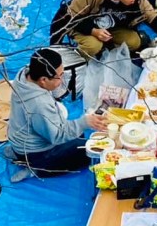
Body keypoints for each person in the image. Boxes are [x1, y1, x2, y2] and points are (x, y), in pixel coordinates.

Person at [7, 48, 108, 177]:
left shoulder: (24, 75)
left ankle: (18, 155)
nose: (62, 81)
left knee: (79, 133)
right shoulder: (40, 104)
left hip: (20, 139)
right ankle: (37, 169)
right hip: (34, 153)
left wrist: (81, 123)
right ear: (43, 80)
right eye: (59, 76)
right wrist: (85, 122)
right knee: (89, 152)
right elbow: (57, 136)